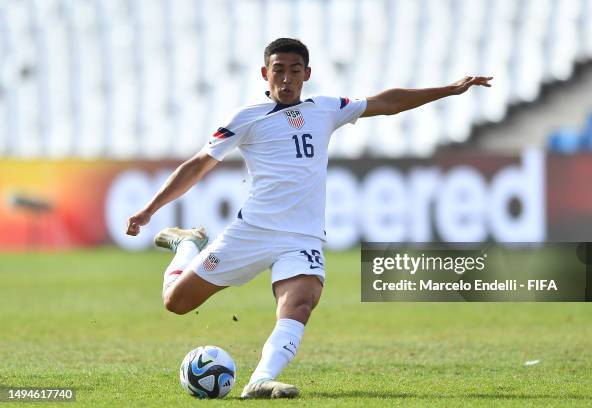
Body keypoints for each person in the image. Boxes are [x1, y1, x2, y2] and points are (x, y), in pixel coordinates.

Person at [126, 37, 492, 399]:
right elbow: (198, 165)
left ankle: (261, 380)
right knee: (176, 302)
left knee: (301, 300)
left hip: (302, 237)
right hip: (251, 231)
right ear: (264, 73)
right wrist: (150, 209)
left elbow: (387, 102)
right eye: (278, 71)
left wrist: (449, 89)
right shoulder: (246, 117)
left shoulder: (326, 108)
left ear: (307, 74)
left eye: (294, 71)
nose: (286, 78)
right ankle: (187, 244)